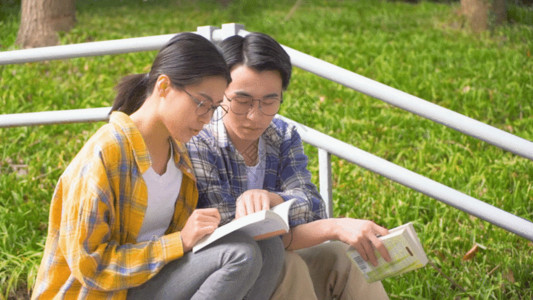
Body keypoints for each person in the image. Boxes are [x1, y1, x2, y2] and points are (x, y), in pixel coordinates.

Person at [31, 32, 284, 300]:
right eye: (201, 103)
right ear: (163, 87)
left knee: (269, 248)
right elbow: (91, 266)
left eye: (213, 108)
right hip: (105, 292)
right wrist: (180, 242)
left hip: (151, 281)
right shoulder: (106, 154)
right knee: (239, 254)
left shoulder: (178, 154)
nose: (207, 118)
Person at [187, 32, 391, 299]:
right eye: (242, 100)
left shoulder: (281, 134)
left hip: (277, 258)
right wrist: (335, 227)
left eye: (270, 101)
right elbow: (232, 234)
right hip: (224, 275)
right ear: (219, 93)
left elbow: (313, 206)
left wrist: (271, 199)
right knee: (287, 263)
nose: (255, 115)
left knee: (344, 257)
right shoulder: (199, 141)